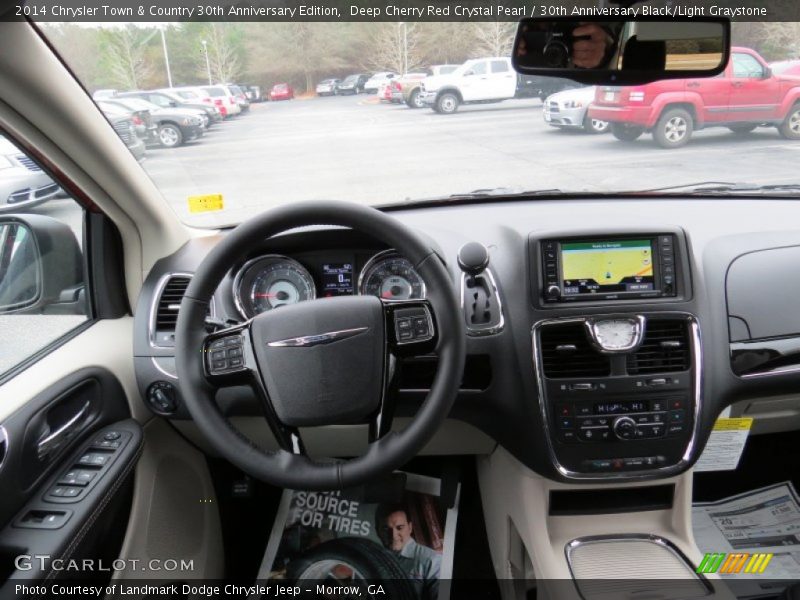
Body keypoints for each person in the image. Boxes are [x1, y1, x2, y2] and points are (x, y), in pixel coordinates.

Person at [377, 504, 441, 600]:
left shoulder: (432, 559)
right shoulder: (375, 559)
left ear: (410, 528)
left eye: (399, 528)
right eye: (385, 529)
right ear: (377, 531)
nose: (393, 536)